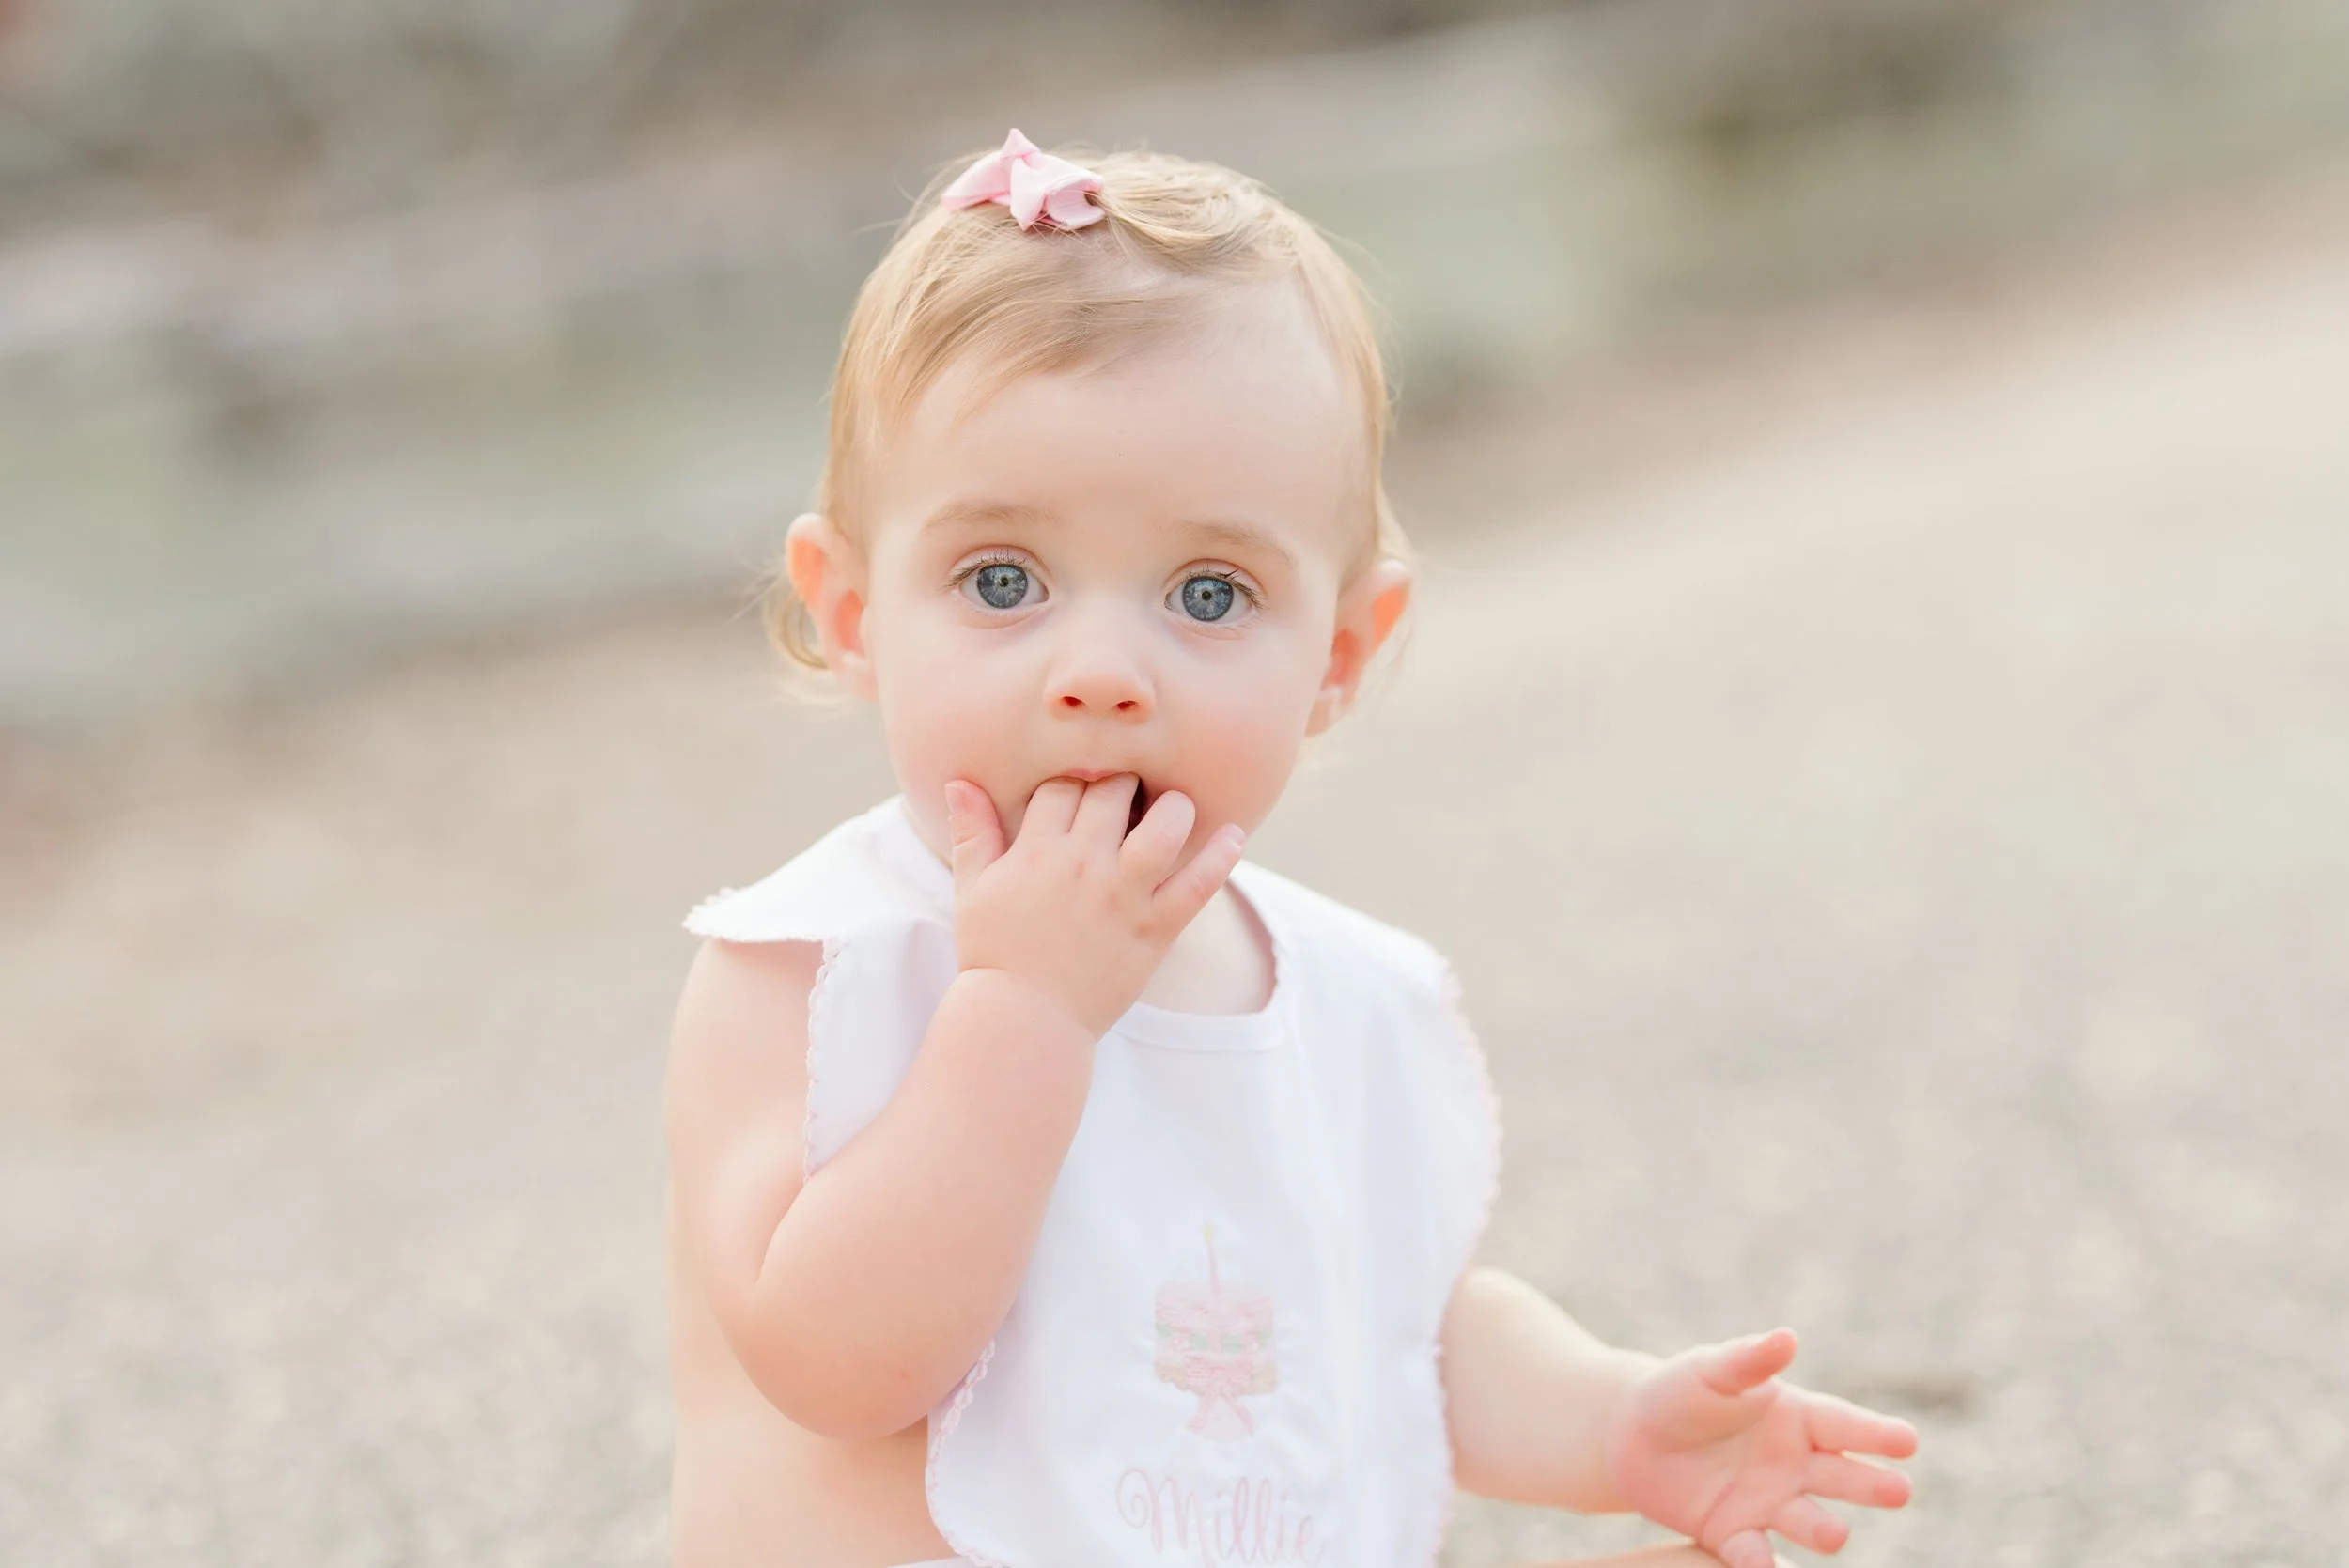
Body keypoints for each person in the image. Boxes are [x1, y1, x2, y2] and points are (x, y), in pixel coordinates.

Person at [662, 128, 1919, 1568]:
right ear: (854, 610)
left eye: (1208, 592)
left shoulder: (1337, 990)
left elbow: (1381, 1332)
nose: (1101, 671)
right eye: (1001, 579)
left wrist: (1611, 1422)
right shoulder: (816, 966)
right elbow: (833, 1364)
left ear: (1339, 652)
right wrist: (1020, 1011)